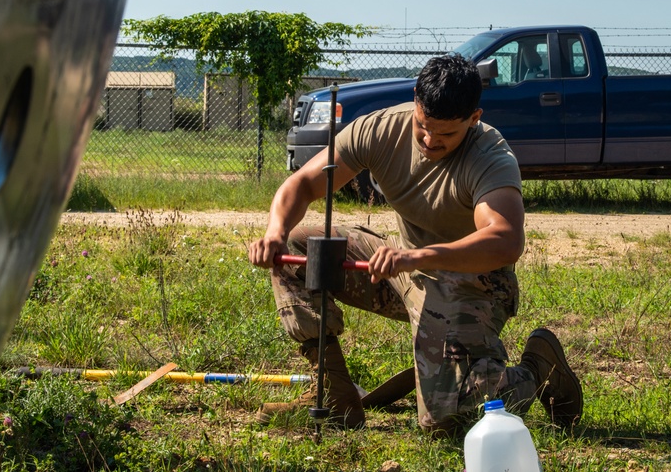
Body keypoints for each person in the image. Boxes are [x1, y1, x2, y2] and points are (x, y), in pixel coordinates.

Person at [248, 54, 583, 433]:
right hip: (400, 269)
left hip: (473, 283)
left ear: (474, 118)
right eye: (423, 126)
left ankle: (537, 372)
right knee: (296, 247)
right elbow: (304, 184)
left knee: (445, 420)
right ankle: (335, 393)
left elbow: (504, 240)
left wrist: (416, 257)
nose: (429, 140)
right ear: (416, 101)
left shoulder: (490, 154)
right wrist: (274, 232)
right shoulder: (381, 128)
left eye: (446, 134)